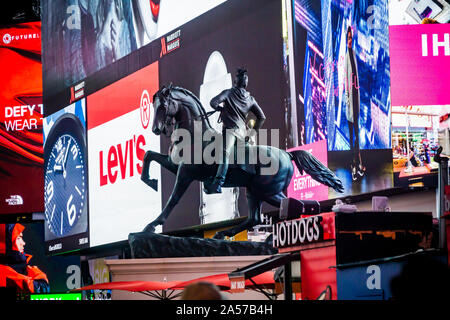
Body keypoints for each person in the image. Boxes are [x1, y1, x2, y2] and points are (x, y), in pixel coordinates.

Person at [204, 68, 266, 194]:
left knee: (224, 154)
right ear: (246, 83)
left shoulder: (228, 93)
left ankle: (218, 183)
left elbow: (213, 102)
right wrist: (252, 133)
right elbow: (262, 117)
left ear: (234, 81)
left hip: (231, 132)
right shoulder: (251, 99)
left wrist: (222, 110)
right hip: (243, 134)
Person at [0, 224, 49, 293]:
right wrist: (36, 272)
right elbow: (41, 289)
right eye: (18, 238)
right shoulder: (3, 272)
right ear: (6, 242)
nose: (23, 243)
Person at [344, 26, 365, 181]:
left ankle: (358, 164)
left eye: (352, 38)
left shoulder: (354, 54)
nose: (350, 40)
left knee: (357, 137)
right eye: (348, 38)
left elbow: (357, 78)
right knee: (352, 138)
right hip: (350, 103)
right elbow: (345, 82)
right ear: (346, 40)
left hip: (356, 100)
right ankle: (353, 165)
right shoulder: (346, 57)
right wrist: (348, 101)